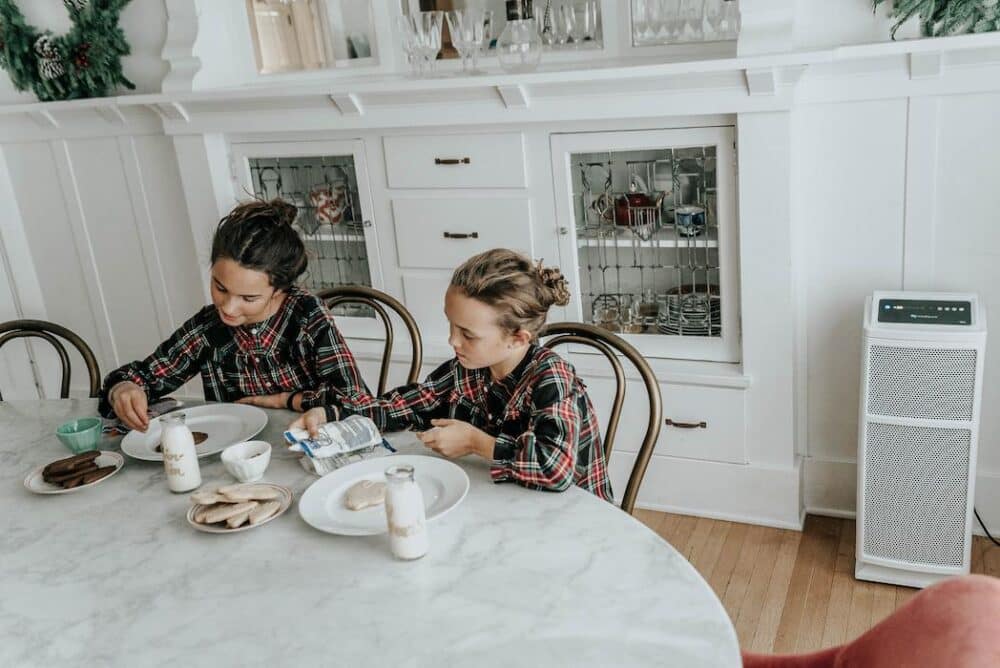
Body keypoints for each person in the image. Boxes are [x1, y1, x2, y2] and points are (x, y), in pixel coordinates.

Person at [291, 248, 613, 501]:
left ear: (518, 338)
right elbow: (400, 407)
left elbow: (554, 468)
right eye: (451, 324)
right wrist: (333, 412)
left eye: (467, 334)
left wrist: (477, 443)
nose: (452, 340)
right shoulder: (466, 370)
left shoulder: (552, 378)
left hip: (576, 520)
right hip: (507, 505)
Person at [99, 198, 370, 431]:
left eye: (248, 298)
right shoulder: (209, 328)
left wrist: (285, 400)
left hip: (315, 448)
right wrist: (123, 388)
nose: (227, 308)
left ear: (280, 290)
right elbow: (145, 375)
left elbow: (352, 399)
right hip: (236, 460)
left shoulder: (307, 316)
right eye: (220, 287)